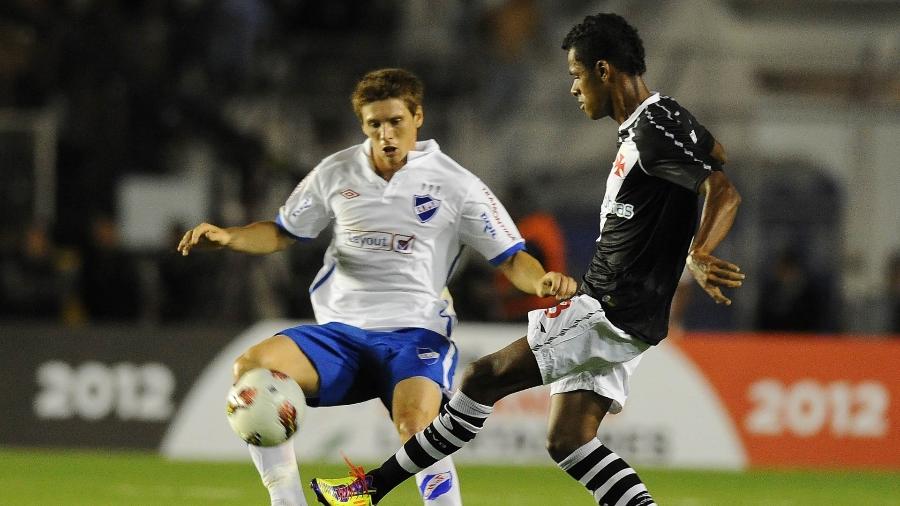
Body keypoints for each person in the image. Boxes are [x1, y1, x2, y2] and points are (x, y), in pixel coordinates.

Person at [311, 13, 744, 506]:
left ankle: (367, 492)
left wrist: (699, 248)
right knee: (569, 441)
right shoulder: (664, 116)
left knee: (480, 378)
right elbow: (717, 154)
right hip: (633, 315)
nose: (573, 89)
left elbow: (721, 187)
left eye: (576, 76)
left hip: (609, 308)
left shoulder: (649, 134)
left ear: (604, 71)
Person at [177, 68, 575, 506]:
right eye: (374, 124)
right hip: (339, 335)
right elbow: (282, 231)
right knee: (251, 372)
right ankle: (287, 500)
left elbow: (511, 256)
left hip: (414, 335)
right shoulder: (336, 171)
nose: (386, 134)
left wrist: (541, 279)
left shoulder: (456, 184)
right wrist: (230, 237)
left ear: (417, 116)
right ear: (362, 124)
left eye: (395, 121)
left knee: (418, 427)